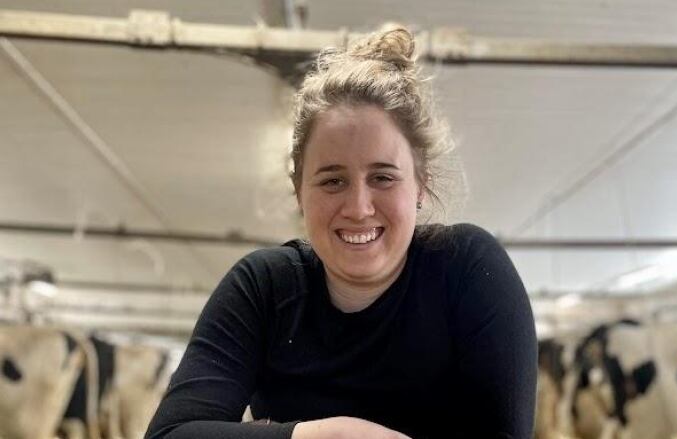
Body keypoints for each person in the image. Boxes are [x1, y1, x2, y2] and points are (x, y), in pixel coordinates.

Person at [145, 25, 536, 439]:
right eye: (333, 181)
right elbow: (170, 434)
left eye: (383, 178)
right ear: (299, 191)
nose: (359, 208)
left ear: (419, 185)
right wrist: (330, 435)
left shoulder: (466, 269)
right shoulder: (265, 287)